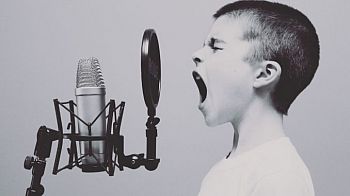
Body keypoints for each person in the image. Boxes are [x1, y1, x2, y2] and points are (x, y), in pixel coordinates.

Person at [191, 1, 319, 196]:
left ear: (264, 74)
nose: (197, 55)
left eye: (216, 47)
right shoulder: (223, 170)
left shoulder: (280, 177)